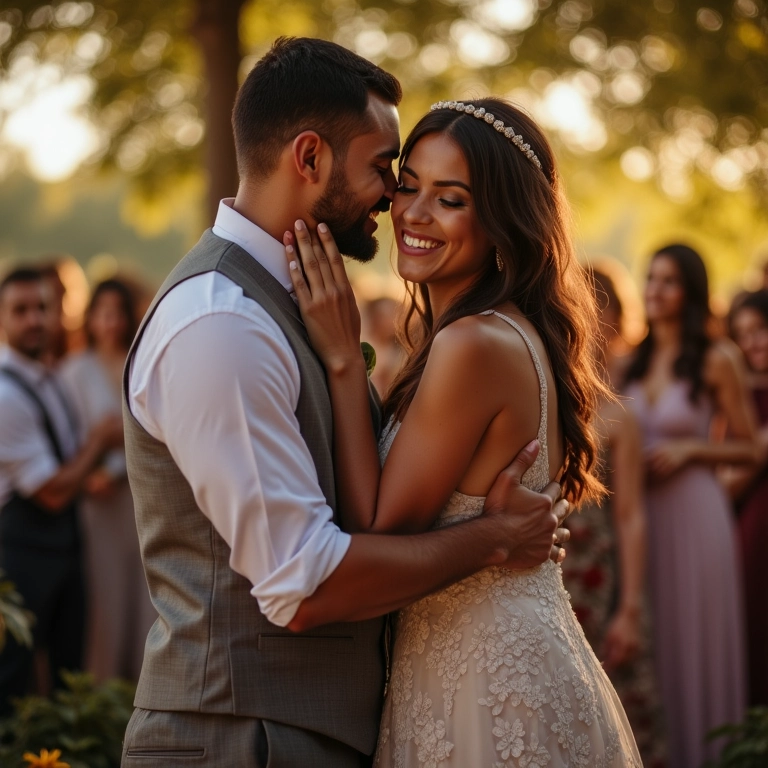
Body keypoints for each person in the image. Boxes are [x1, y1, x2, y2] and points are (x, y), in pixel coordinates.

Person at [120, 39, 570, 768]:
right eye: (386, 168)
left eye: (441, 193)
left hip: (333, 726)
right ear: (310, 159)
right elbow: (303, 583)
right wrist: (491, 541)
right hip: (242, 740)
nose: (395, 198)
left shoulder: (304, 307)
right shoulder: (221, 323)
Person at [285, 98, 641, 766]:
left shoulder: (474, 344)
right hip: (474, 659)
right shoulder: (487, 332)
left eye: (450, 199)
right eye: (409, 187)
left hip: (487, 680)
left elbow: (379, 527)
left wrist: (341, 359)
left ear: (502, 220)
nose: (414, 214)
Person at [624, 244, 756, 767]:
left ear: (691, 291)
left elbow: (749, 445)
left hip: (699, 515)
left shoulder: (717, 358)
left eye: (670, 281)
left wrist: (691, 449)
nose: (655, 290)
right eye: (651, 278)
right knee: (654, 639)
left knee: (696, 640)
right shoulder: (628, 361)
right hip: (641, 519)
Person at [0, 268, 122, 715]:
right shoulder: (5, 396)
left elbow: (69, 467)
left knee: (68, 677)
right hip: (21, 556)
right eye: (20, 310)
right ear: (2, 318)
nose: (34, 320)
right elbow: (52, 492)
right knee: (13, 681)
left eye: (41, 309)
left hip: (65, 550)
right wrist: (100, 443)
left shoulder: (50, 377)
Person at [562, 270, 667, 767]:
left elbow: (630, 517)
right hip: (544, 571)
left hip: (598, 579)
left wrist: (629, 608)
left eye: (594, 307)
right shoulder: (542, 395)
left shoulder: (619, 417)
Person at [60, 279, 155, 682]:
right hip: (97, 501)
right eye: (102, 312)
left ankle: (143, 684)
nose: (110, 322)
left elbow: (147, 428)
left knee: (144, 593)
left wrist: (111, 449)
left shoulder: (141, 360)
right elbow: (76, 435)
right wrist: (98, 453)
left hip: (140, 495)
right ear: (90, 316)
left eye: (117, 312)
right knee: (105, 595)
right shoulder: (74, 370)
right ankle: (100, 688)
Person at [727, 289, 768, 707]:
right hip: (756, 525)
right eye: (745, 334)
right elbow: (728, 481)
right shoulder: (739, 393)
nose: (754, 342)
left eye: (761, 329)